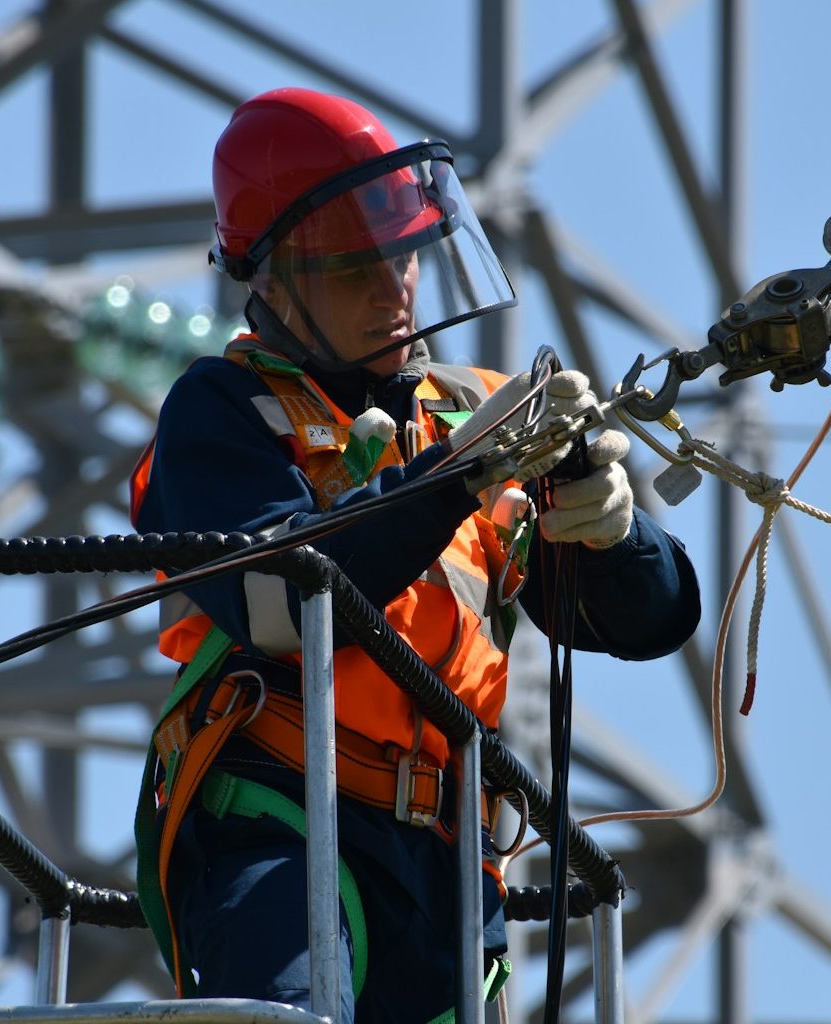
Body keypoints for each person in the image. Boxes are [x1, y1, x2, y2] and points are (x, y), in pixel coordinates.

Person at [130, 87, 700, 1023]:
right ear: (270, 283)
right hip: (285, 811)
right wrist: (454, 476)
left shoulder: (464, 412)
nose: (392, 289)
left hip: (448, 859)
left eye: (402, 259)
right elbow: (278, 607)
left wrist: (613, 530)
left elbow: (648, 622)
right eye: (354, 269)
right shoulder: (224, 412)